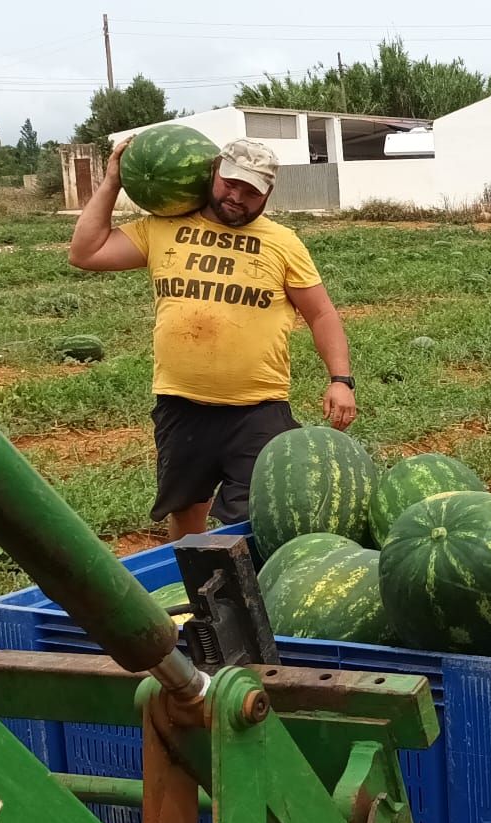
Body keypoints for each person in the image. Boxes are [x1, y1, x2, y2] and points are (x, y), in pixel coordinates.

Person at [67, 138, 357, 539]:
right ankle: (192, 597)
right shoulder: (162, 228)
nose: (237, 196)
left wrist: (340, 380)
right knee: (186, 516)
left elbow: (321, 313)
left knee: (261, 521)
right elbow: (85, 253)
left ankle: (254, 597)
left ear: (268, 194)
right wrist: (113, 180)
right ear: (213, 172)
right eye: (230, 183)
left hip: (259, 409)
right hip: (181, 406)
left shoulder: (283, 243)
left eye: (251, 190)